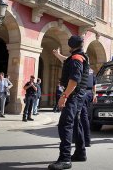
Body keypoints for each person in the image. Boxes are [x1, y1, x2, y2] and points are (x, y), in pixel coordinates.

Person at [48, 36, 90, 170]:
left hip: (73, 95)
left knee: (65, 125)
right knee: (76, 123)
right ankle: (80, 153)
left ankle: (65, 158)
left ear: (70, 45)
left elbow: (74, 80)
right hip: (79, 95)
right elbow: (66, 60)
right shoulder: (78, 57)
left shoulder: (76, 58)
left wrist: (64, 96)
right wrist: (57, 54)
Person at [74, 68, 97, 147]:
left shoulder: (80, 68)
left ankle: (83, 139)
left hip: (82, 92)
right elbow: (94, 84)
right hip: (89, 93)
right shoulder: (91, 70)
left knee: (80, 116)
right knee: (84, 116)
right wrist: (94, 95)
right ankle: (86, 140)